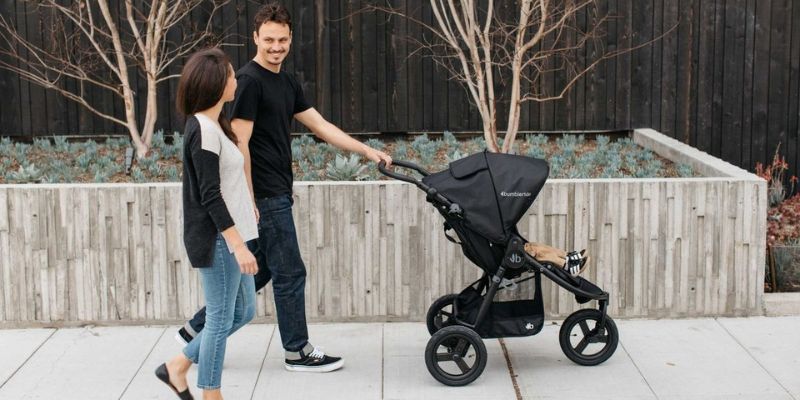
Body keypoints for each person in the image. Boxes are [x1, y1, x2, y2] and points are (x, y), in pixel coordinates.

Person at [174, 2, 392, 373]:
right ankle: (297, 351)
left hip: (274, 192)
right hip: (264, 194)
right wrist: (248, 197)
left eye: (282, 40)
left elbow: (320, 125)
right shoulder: (247, 82)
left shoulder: (286, 82)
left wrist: (367, 150)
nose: (276, 47)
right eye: (269, 40)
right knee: (290, 271)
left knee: (262, 268)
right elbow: (240, 142)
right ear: (255, 37)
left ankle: (198, 327)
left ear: (291, 39)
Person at [154, 48, 259, 400]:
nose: (236, 80)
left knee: (244, 311)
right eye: (231, 75)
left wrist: (249, 209)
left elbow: (227, 185)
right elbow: (210, 194)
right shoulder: (203, 129)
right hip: (219, 239)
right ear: (217, 84)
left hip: (230, 235)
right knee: (218, 319)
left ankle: (178, 365)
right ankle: (211, 394)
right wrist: (238, 244)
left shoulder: (216, 125)